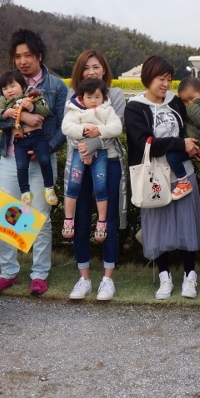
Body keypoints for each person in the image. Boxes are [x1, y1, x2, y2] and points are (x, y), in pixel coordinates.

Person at [0, 29, 67, 297]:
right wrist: (20, 119)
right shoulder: (6, 84)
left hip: (42, 159)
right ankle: (8, 272)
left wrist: (47, 147)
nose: (22, 61)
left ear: (39, 55)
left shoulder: (56, 86)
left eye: (27, 55)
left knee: (40, 217)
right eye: (17, 56)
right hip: (10, 158)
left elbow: (65, 126)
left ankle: (39, 274)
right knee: (7, 214)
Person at [125, 55, 200, 299]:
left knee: (186, 224)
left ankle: (190, 276)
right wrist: (181, 144)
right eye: (161, 78)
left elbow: (191, 129)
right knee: (157, 227)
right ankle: (164, 277)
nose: (165, 84)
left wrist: (196, 148)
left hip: (182, 174)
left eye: (169, 79)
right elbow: (144, 143)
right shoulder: (135, 108)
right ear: (148, 78)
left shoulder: (175, 102)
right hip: (154, 177)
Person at [63, 49, 128, 301]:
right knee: (79, 220)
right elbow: (68, 128)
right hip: (79, 162)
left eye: (96, 67)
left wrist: (91, 144)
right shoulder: (73, 97)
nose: (91, 72)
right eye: (86, 68)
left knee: (107, 220)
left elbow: (116, 128)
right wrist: (85, 145)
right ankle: (84, 279)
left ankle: (108, 279)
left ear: (104, 70)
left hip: (109, 162)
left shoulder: (116, 95)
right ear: (79, 72)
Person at [60, 78, 122, 244]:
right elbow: (66, 127)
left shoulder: (107, 111)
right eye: (89, 97)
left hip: (101, 154)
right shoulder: (75, 111)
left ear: (103, 97)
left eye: (97, 97)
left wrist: (99, 131)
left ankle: (101, 222)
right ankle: (68, 219)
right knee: (74, 183)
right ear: (81, 98)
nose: (94, 101)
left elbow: (117, 128)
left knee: (100, 186)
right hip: (78, 152)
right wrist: (83, 131)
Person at [0, 69, 57, 207]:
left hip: (38, 137)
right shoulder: (4, 101)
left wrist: (31, 107)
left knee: (44, 159)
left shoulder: (31, 96)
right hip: (20, 140)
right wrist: (6, 112)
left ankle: (49, 188)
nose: (9, 90)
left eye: (13, 86)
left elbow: (45, 110)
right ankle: (25, 192)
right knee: (21, 166)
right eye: (5, 88)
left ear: (23, 86)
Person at [162, 77, 200, 199]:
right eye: (184, 101)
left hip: (199, 145)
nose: (188, 103)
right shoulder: (190, 107)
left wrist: (189, 106)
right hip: (192, 142)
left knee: (172, 157)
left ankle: (183, 182)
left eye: (192, 98)